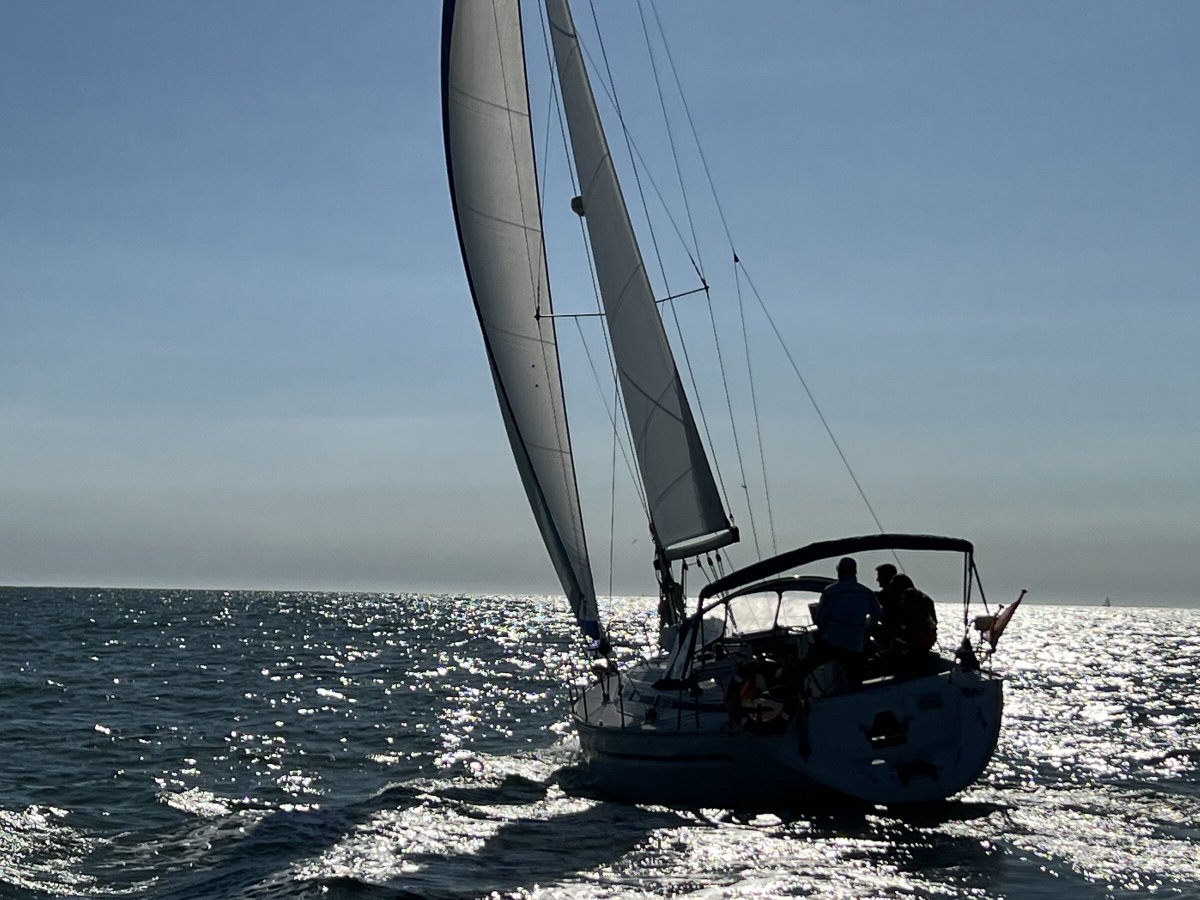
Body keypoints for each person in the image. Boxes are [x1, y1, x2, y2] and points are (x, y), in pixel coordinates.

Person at [798, 557, 882, 689]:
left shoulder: (830, 592)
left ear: (839, 572)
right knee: (855, 680)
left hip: (830, 642)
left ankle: (790, 691)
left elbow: (820, 619)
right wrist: (862, 628)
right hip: (854, 645)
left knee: (803, 669)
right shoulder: (866, 593)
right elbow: (877, 617)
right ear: (855, 572)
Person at [888, 573, 938, 675]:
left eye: (894, 588)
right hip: (924, 643)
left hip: (912, 646)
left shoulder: (909, 601)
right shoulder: (926, 600)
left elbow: (900, 625)